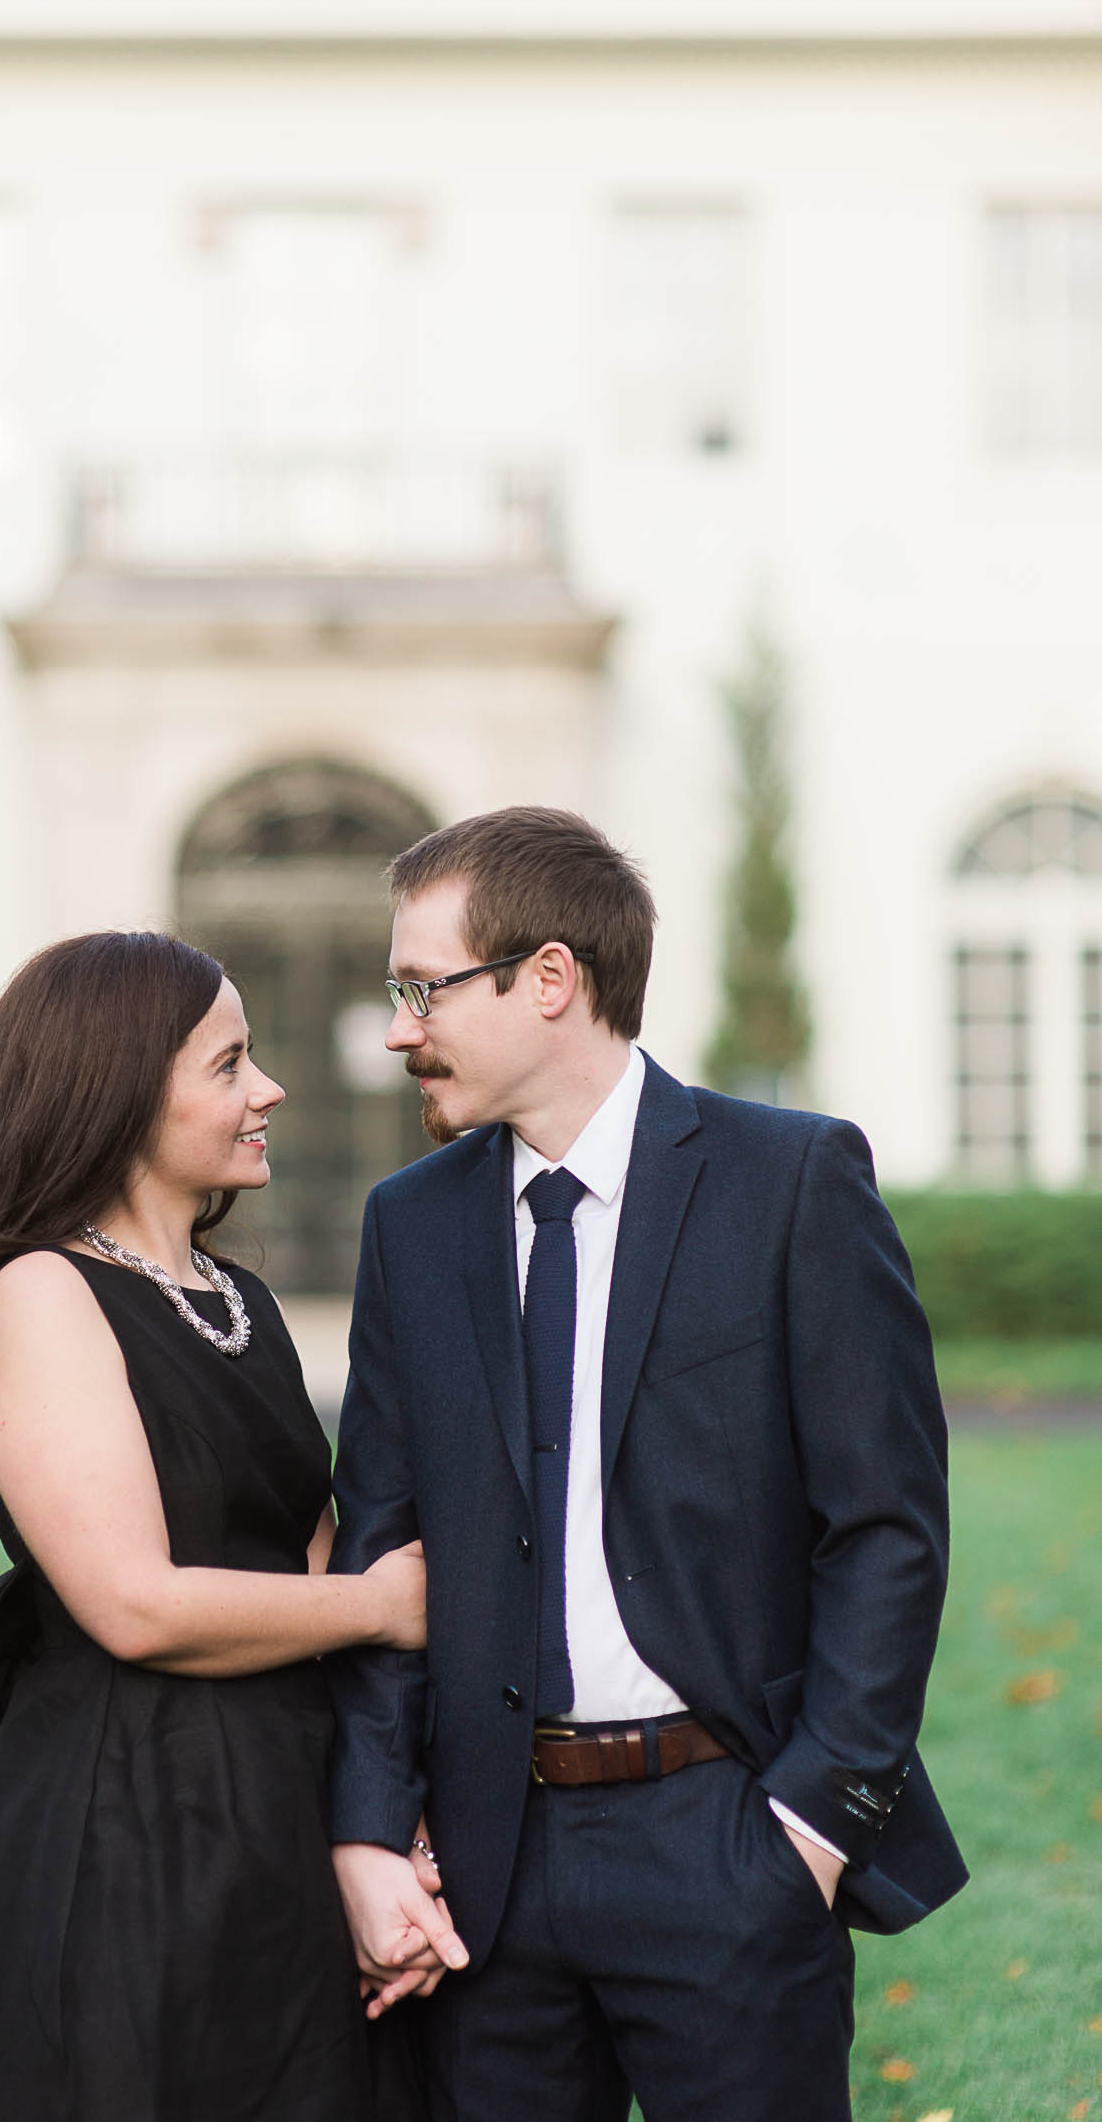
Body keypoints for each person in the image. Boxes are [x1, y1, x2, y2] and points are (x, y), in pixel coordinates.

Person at [325, 807, 968, 2122]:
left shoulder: (790, 1179)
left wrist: (814, 1829)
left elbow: (887, 1527)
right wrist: (374, 1826)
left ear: (549, 977)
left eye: (421, 988)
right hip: (487, 1873)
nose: (399, 1030)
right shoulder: (410, 1227)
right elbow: (384, 1547)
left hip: (732, 1840)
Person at [0, 930, 428, 2122]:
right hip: (132, 1826)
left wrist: (389, 1825)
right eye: (230, 1065)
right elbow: (131, 1603)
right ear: (120, 1095)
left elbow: (306, 1545)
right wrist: (385, 1604)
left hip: (280, 1809)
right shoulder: (45, 1291)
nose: (267, 1089)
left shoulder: (243, 1301)